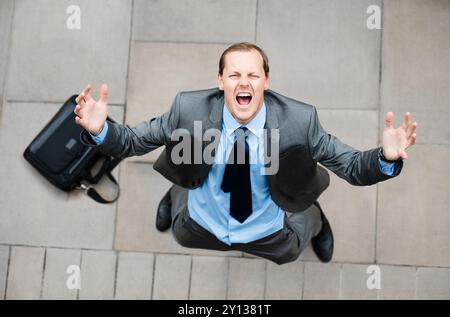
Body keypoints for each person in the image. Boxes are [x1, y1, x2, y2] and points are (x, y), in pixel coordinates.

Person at [75, 42, 417, 265]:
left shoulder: (299, 122)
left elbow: (353, 166)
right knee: (182, 221)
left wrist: (385, 158)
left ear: (266, 82)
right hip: (200, 222)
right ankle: (176, 195)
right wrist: (100, 130)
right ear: (220, 80)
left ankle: (315, 221)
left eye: (253, 74)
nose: (244, 82)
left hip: (267, 230)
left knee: (291, 248)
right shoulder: (189, 110)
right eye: (234, 74)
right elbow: (133, 141)